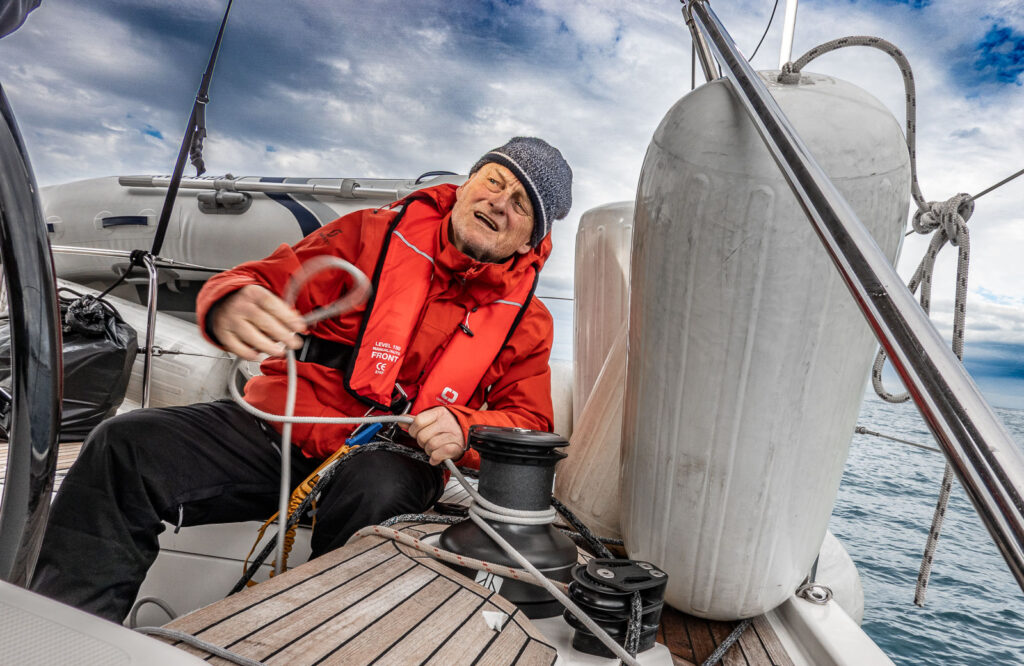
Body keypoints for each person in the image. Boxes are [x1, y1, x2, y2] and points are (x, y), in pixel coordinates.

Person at [30, 136, 573, 623]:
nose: (498, 203)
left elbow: (528, 422)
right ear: (466, 185)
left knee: (376, 494)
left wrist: (463, 427)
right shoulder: (368, 235)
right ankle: (65, 637)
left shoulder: (528, 322)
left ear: (532, 240)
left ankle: (316, 641)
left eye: (521, 204)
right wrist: (232, 301)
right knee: (124, 447)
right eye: (494, 181)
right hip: (282, 429)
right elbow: (262, 279)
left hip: (393, 459)